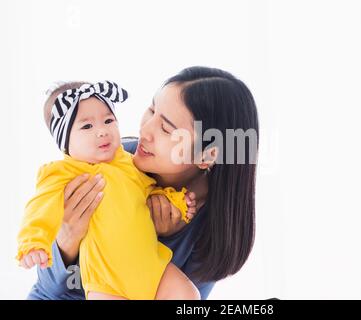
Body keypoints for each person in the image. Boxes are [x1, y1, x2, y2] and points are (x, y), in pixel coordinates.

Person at [28, 66, 259, 300]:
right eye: (151, 110)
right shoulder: (111, 162)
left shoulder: (216, 224)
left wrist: (161, 237)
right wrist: (66, 241)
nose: (144, 131)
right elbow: (49, 289)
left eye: (166, 128)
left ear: (206, 155)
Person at [17, 81, 199, 300]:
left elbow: (149, 192)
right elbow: (40, 207)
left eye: (108, 120)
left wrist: (175, 201)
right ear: (65, 141)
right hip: (106, 282)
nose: (102, 131)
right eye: (87, 126)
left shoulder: (130, 162)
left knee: (188, 294)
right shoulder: (64, 172)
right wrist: (34, 241)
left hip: (152, 267)